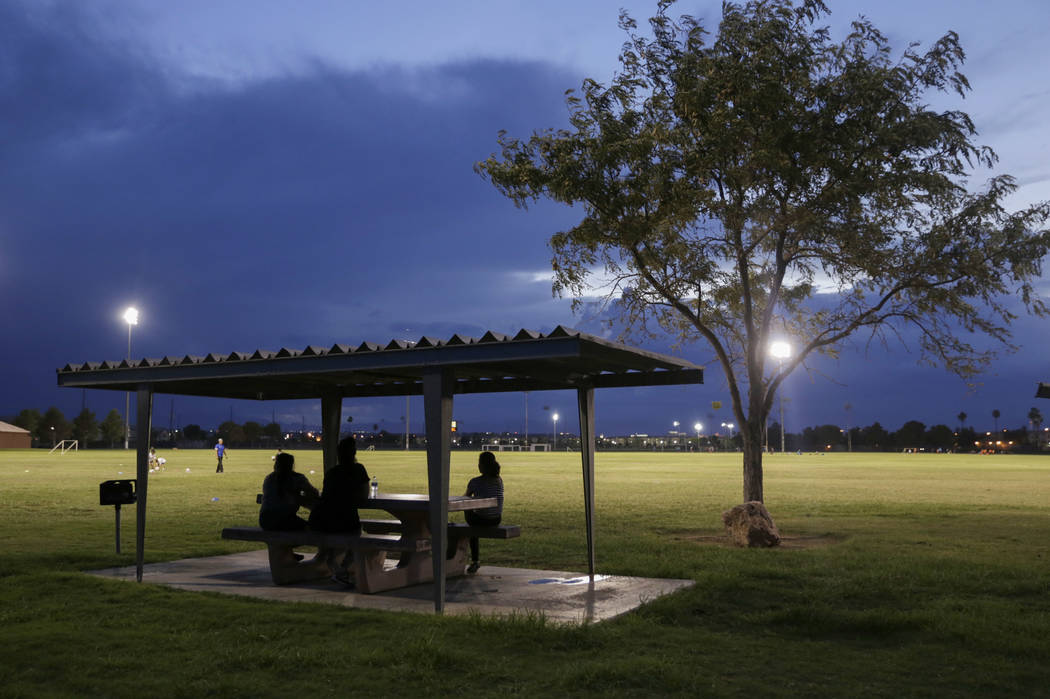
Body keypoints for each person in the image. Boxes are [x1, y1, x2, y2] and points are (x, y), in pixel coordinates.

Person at [309, 436, 370, 585]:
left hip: (322, 522)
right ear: (354, 452)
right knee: (356, 534)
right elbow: (364, 495)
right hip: (345, 523)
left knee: (345, 531)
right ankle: (343, 569)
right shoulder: (358, 469)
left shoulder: (331, 472)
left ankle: (335, 564)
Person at [462, 450, 504, 574]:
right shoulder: (499, 480)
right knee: (474, 524)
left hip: (480, 520)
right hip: (496, 519)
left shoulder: (475, 481)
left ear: (482, 465)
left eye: (479, 463)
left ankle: (475, 561)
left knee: (471, 521)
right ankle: (475, 561)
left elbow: (465, 498)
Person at [259, 452, 320, 531]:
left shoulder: (269, 478)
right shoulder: (298, 478)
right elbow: (314, 493)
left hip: (265, 521)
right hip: (284, 520)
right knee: (313, 529)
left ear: (276, 465)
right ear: (291, 465)